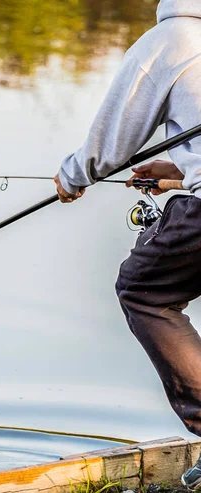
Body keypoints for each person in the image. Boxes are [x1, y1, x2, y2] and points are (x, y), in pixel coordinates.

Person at [54, 0, 201, 486]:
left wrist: (75, 175)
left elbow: (114, 136)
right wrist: (182, 172)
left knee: (145, 291)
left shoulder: (174, 38)